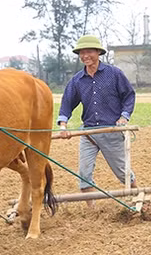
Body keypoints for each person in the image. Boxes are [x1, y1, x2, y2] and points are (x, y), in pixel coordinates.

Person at [57, 35, 136, 207]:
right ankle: (91, 211)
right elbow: (67, 103)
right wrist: (63, 125)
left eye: (89, 52)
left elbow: (129, 96)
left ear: (98, 52)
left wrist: (124, 117)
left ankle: (139, 199)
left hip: (110, 131)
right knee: (83, 176)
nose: (85, 56)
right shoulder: (77, 80)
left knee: (123, 174)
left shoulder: (114, 74)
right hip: (89, 133)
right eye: (82, 53)